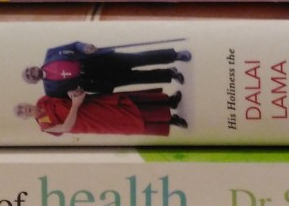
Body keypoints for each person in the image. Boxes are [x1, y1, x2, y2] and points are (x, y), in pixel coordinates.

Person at [22, 40, 191, 97]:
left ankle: (175, 55)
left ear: (32, 66)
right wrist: (76, 95)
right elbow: (70, 100)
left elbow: (74, 45)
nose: (31, 73)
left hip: (98, 60)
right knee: (137, 78)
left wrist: (84, 47)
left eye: (28, 70)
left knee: (138, 58)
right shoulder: (51, 90)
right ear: (33, 82)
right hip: (96, 81)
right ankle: (170, 74)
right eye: (29, 76)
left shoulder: (51, 53)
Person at [15, 88, 187, 136]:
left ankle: (168, 101)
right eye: (22, 113)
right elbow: (66, 127)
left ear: (26, 102)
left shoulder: (43, 100)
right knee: (128, 121)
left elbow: (64, 94)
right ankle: (171, 120)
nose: (25, 110)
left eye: (22, 106)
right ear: (25, 118)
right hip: (94, 122)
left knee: (128, 102)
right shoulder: (44, 125)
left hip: (92, 104)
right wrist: (75, 105)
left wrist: (73, 94)